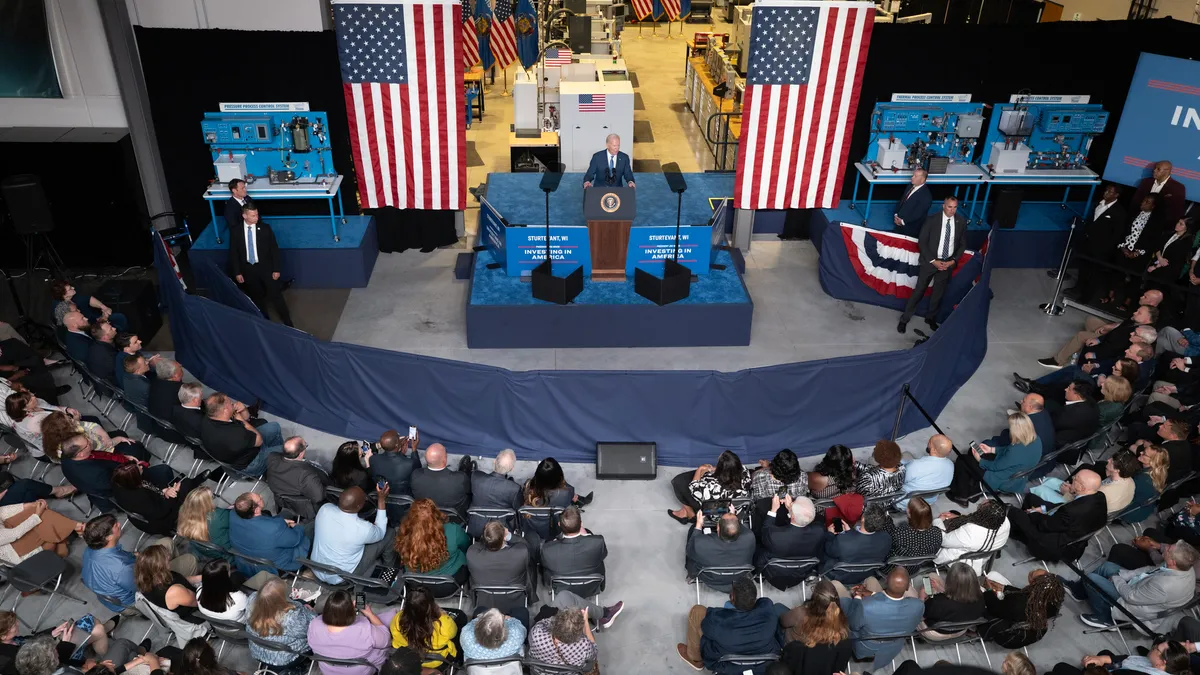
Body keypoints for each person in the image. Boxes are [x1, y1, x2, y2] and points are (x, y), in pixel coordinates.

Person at [1063, 540, 1198, 629]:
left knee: (1092, 578)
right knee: (1107, 566)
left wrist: (1116, 577)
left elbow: (1130, 597)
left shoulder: (1165, 585)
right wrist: (1124, 575)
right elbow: (1150, 569)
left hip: (1134, 606)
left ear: (1173, 561)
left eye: (1169, 549)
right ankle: (1079, 592)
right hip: (1139, 588)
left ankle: (1105, 618)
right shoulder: (1182, 566)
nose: (1166, 547)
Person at [81, 515, 197, 613]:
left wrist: (134, 556)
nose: (119, 524)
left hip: (123, 584)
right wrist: (160, 568)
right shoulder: (121, 568)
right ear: (109, 537)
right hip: (136, 600)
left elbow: (122, 560)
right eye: (115, 525)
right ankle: (181, 590)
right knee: (189, 561)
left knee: (166, 543)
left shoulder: (92, 548)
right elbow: (145, 587)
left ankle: (178, 579)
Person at [675, 577, 786, 673]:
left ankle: (695, 659)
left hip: (727, 665)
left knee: (697, 612)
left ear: (732, 597)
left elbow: (706, 626)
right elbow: (765, 602)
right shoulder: (768, 611)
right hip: (765, 663)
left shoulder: (718, 620)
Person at [898, 196, 968, 333]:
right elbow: (922, 242)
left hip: (947, 263)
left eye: (955, 207)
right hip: (930, 263)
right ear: (943, 206)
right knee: (919, 291)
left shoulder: (960, 221)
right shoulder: (931, 220)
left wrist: (952, 261)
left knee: (938, 293)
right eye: (949, 207)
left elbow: (962, 244)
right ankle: (904, 319)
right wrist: (933, 261)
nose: (952, 210)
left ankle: (931, 318)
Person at [1008, 469, 1107, 562]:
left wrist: (1033, 513)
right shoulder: (1099, 497)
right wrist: (1043, 508)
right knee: (1031, 498)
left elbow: (1045, 525)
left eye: (1076, 479)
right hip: (1068, 533)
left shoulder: (1072, 511)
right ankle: (1020, 532)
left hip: (1052, 545)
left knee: (1013, 512)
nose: (1072, 478)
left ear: (1082, 488)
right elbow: (1067, 506)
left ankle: (1022, 535)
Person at [59, 433, 173, 512]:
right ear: (80, 454)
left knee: (134, 447)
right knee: (164, 470)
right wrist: (136, 468)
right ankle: (164, 491)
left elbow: (101, 456)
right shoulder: (95, 475)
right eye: (87, 444)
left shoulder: (67, 456)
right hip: (122, 484)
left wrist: (123, 457)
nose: (90, 441)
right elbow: (122, 482)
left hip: (111, 465)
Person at [840, 567, 924, 670]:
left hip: (863, 647)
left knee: (838, 591)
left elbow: (853, 625)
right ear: (907, 587)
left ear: (886, 580)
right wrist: (872, 594)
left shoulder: (865, 606)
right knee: (871, 579)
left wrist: (857, 599)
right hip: (891, 650)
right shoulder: (918, 605)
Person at [948, 412, 1041, 503]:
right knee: (973, 452)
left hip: (1001, 479)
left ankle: (962, 496)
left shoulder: (1015, 451)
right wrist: (991, 449)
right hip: (1015, 474)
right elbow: (1009, 450)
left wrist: (979, 460)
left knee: (963, 460)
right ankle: (973, 490)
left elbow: (995, 466)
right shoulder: (1036, 439)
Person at [228, 204, 293, 327]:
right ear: (244, 216)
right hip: (248, 269)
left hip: (266, 268)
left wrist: (276, 269)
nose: (256, 218)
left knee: (276, 295)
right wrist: (237, 272)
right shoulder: (236, 231)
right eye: (253, 215)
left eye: (257, 214)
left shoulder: (265, 229)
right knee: (257, 296)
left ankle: (288, 322)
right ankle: (264, 321)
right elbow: (234, 253)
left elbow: (274, 250)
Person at [306, 589, 398, 675]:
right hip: (360, 671)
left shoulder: (314, 624)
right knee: (388, 619)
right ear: (351, 610)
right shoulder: (364, 629)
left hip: (328, 670)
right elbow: (386, 640)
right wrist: (370, 614)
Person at [311, 485, 391, 583]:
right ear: (359, 506)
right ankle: (390, 573)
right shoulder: (363, 529)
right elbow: (381, 532)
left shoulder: (325, 509)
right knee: (389, 533)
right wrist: (381, 500)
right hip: (341, 577)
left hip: (316, 569)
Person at [111, 461, 211, 536]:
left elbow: (150, 489)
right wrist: (170, 494)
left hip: (153, 501)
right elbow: (161, 512)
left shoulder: (119, 481)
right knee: (184, 486)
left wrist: (162, 490)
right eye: (138, 467)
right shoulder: (139, 498)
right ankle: (194, 483)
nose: (141, 466)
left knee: (164, 470)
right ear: (135, 478)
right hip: (159, 519)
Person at [227, 492, 311, 576]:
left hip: (250, 561)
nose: (261, 496)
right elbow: (296, 539)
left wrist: (279, 523)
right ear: (256, 510)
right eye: (259, 498)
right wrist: (297, 527)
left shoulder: (233, 514)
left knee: (285, 514)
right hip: (278, 565)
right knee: (311, 528)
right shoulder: (274, 528)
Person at [777, 581, 852, 675]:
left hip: (793, 648)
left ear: (815, 600)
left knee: (778, 609)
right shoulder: (844, 633)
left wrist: (796, 611)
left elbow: (783, 622)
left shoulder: (801, 614)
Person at [201, 393, 284, 477]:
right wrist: (241, 419)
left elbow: (247, 419)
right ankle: (277, 465)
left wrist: (243, 410)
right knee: (287, 449)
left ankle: (275, 462)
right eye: (230, 403)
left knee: (274, 427)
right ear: (225, 410)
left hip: (240, 451)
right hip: (251, 463)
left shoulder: (209, 418)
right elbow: (259, 441)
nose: (233, 404)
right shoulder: (235, 434)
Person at [978, 568, 1063, 648]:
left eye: (1033, 573)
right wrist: (1004, 588)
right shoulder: (1054, 599)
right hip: (1029, 631)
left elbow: (995, 608)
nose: (1032, 571)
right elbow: (1027, 594)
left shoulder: (1018, 603)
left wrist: (989, 591)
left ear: (1033, 583)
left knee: (985, 582)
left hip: (1008, 636)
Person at [1074, 184, 1128, 303]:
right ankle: (1077, 289)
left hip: (1102, 249)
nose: (1106, 193)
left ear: (1116, 195)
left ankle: (1086, 297)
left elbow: (1117, 233)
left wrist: (1107, 248)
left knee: (1095, 274)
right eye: (1106, 190)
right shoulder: (1098, 204)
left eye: (1110, 192)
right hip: (1088, 242)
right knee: (1083, 268)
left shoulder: (1119, 212)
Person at [245, 578, 315, 672]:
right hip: (283, 660)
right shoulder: (291, 617)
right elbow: (313, 627)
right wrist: (310, 611)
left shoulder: (251, 600)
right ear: (280, 599)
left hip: (257, 652)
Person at [467, 521, 536, 614]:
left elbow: (477, 546)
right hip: (515, 599)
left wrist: (489, 536)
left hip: (484, 600)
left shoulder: (472, 554)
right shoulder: (521, 553)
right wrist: (509, 536)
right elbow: (525, 545)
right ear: (504, 537)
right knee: (530, 566)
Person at [394, 498, 470, 583]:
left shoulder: (403, 535)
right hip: (451, 582)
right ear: (435, 514)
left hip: (417, 582)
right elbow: (467, 546)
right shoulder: (453, 530)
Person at [539, 506, 609, 595]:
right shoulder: (597, 542)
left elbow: (544, 564)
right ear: (581, 524)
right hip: (590, 586)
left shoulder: (547, 549)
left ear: (559, 524)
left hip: (562, 589)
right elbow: (603, 555)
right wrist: (587, 536)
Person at [668, 450, 752, 524]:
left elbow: (693, 487)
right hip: (735, 512)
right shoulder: (745, 473)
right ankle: (685, 511)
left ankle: (690, 514)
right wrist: (711, 469)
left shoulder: (711, 485)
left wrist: (700, 469)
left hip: (714, 514)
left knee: (678, 482)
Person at [388, 585, 461, 669]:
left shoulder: (398, 619)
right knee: (461, 617)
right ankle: (459, 660)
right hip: (436, 661)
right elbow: (453, 633)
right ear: (431, 605)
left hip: (409, 659)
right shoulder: (444, 623)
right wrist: (442, 614)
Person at [932, 500, 1009, 573]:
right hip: (981, 558)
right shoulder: (1005, 522)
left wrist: (938, 520)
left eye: (981, 506)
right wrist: (959, 516)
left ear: (981, 515)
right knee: (955, 513)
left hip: (959, 562)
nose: (985, 499)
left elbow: (943, 540)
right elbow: (978, 519)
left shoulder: (970, 531)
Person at [266, 436, 331, 521]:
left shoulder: (272, 457)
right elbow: (318, 497)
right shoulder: (306, 475)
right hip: (301, 505)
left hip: (280, 494)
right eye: (305, 445)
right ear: (301, 453)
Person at [823, 504, 892, 584]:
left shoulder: (842, 541)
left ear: (863, 519)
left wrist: (830, 534)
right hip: (868, 575)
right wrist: (849, 533)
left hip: (842, 576)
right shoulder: (886, 538)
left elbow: (829, 551)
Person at [135, 544, 203, 624]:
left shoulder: (149, 578)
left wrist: (203, 577)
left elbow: (182, 580)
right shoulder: (174, 591)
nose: (169, 556)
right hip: (196, 612)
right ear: (160, 565)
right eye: (166, 559)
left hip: (188, 596)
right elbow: (199, 602)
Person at [684, 510, 754, 586]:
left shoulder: (701, 544)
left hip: (710, 579)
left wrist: (699, 524)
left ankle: (691, 575)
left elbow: (689, 551)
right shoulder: (749, 537)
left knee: (693, 531)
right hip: (737, 577)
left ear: (718, 528)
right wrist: (732, 518)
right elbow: (737, 527)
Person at [0, 498, 81, 562]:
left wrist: (31, 505)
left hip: (7, 527)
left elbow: (2, 511)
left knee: (37, 511)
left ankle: (75, 528)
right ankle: (77, 527)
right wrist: (37, 514)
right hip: (11, 550)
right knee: (43, 518)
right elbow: (15, 534)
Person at [756, 495, 824, 570]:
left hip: (773, 573)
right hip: (802, 572)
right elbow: (798, 521)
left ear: (793, 517)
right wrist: (790, 510)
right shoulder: (819, 532)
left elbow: (765, 530)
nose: (792, 503)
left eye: (793, 503)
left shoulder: (775, 536)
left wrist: (773, 509)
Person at [919, 563, 985, 639]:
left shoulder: (937, 602)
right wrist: (940, 588)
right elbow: (957, 601)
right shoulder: (981, 598)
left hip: (934, 632)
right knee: (932, 576)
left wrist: (921, 598)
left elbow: (920, 617)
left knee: (907, 591)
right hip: (960, 631)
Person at [466, 449, 521, 537]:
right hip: (500, 530)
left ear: (494, 461)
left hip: (477, 527)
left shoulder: (476, 477)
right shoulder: (514, 488)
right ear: (511, 469)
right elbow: (517, 507)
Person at [410, 444, 471, 521]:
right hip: (452, 520)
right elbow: (469, 491)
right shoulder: (460, 478)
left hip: (426, 518)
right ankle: (466, 470)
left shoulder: (416, 475)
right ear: (445, 459)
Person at [1049, 642, 1190, 675]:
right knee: (1104, 653)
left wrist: (1094, 668)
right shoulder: (1156, 666)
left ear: (1162, 662)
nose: (1152, 647)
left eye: (1155, 649)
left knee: (1059, 668)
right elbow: (1125, 658)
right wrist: (1102, 660)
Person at [4, 390, 80, 451]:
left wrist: (66, 409)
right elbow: (63, 433)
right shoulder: (34, 422)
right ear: (25, 408)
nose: (33, 397)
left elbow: (51, 407)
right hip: (57, 445)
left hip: (64, 423)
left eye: (30, 395)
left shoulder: (35, 403)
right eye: (30, 400)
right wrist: (75, 419)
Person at [176, 487, 234, 563]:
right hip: (224, 554)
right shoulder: (218, 516)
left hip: (202, 550)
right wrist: (231, 509)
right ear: (206, 503)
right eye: (212, 497)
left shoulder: (183, 512)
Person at [897, 435, 956, 507]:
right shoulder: (951, 465)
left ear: (934, 450)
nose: (928, 442)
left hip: (903, 502)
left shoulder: (916, 465)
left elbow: (899, 481)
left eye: (929, 442)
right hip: (927, 502)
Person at [884, 497, 942, 570]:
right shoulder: (937, 533)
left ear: (910, 515)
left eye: (908, 509)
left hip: (895, 568)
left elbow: (886, 547)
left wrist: (887, 519)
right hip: (915, 568)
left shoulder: (899, 534)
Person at [49, 280, 125, 331]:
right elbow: (82, 327)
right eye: (70, 289)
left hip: (94, 318)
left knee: (120, 317)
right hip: (89, 327)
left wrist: (104, 307)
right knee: (116, 327)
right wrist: (103, 319)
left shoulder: (72, 296)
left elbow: (88, 299)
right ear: (64, 295)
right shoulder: (63, 309)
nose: (73, 288)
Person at [1132, 160, 1187, 226]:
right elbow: (1135, 201)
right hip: (1138, 221)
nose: (1154, 170)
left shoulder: (1177, 187)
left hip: (1158, 225)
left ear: (1167, 171)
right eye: (1155, 168)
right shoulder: (1146, 182)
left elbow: (1176, 210)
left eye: (1158, 169)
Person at [460, 608, 526, 662]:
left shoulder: (466, 635)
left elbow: (472, 623)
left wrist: (483, 618)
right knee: (521, 611)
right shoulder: (516, 634)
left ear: (478, 625)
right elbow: (523, 631)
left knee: (479, 609)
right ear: (503, 632)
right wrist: (509, 619)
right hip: (509, 668)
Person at [370, 430, 423, 496]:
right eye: (398, 437)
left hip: (382, 497)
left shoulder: (373, 459)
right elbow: (419, 471)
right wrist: (414, 449)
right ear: (397, 444)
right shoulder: (409, 463)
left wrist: (401, 454)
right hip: (404, 500)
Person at [893, 168, 932, 237]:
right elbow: (902, 201)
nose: (912, 178)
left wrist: (902, 222)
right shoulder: (910, 186)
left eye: (915, 176)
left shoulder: (926, 197)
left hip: (910, 230)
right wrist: (896, 214)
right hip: (899, 223)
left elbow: (917, 214)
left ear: (922, 180)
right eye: (913, 175)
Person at [147, 358, 185, 423]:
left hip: (155, 421)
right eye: (180, 368)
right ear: (175, 376)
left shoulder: (153, 380)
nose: (180, 365)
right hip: (173, 425)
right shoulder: (182, 391)